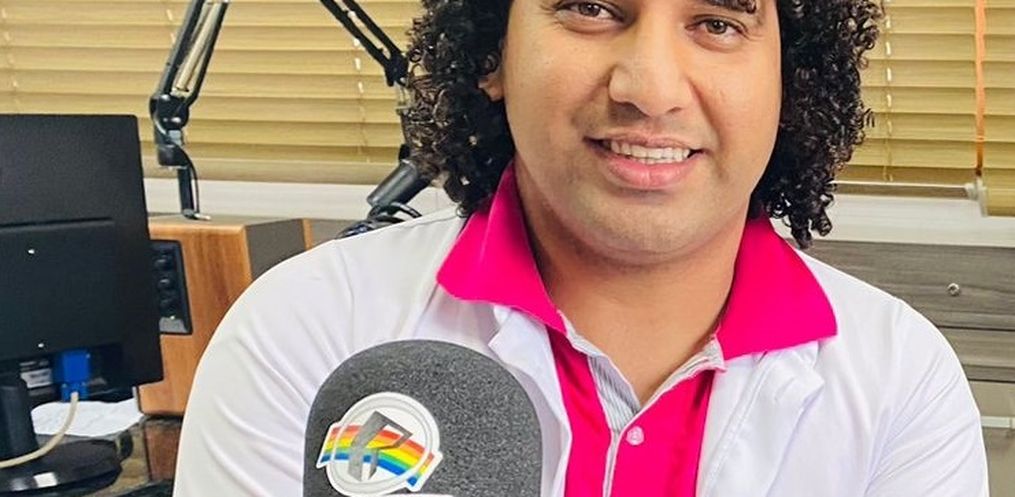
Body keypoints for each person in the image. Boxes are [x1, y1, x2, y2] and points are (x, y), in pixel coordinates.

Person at [173, 0, 989, 495]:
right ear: (492, 52)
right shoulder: (307, 333)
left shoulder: (896, 378)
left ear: (789, 77)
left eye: (716, 23)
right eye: (591, 8)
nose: (650, 89)